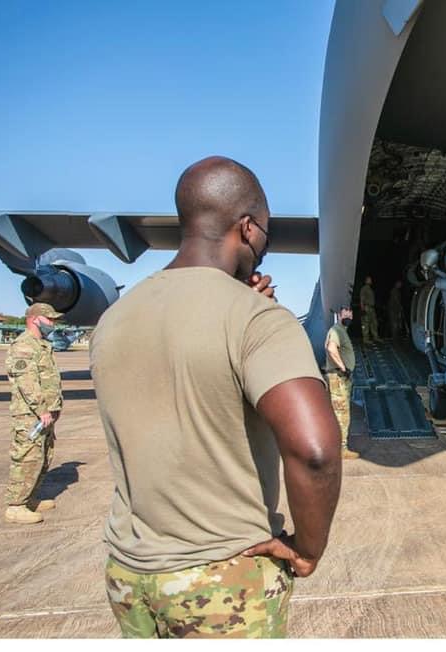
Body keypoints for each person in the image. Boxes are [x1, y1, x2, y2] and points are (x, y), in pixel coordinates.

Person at [90, 156, 342, 638]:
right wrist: (308, 549)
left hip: (130, 575)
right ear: (246, 228)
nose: (265, 246)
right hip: (223, 580)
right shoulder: (258, 321)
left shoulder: (115, 318)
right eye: (265, 233)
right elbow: (315, 452)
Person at [3, 302, 64, 525]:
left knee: (43, 457)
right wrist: (42, 409)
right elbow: (26, 383)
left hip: (44, 414)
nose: (53, 323)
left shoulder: (41, 345)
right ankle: (16, 506)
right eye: (50, 319)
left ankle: (30, 499)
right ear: (35, 319)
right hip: (30, 414)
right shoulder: (24, 346)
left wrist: (53, 408)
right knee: (27, 457)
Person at [325, 306, 359, 459]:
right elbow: (331, 348)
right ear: (339, 315)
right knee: (342, 413)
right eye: (346, 315)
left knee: (339, 411)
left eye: (351, 315)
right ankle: (341, 448)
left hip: (341, 378)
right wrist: (343, 368)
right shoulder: (336, 330)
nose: (349, 318)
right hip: (339, 377)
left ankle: (337, 445)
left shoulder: (341, 330)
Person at [359, 275, 380, 345]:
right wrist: (362, 309)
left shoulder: (370, 289)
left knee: (374, 323)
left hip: (371, 308)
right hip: (366, 307)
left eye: (370, 279)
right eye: (369, 279)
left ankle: (375, 337)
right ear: (366, 281)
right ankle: (366, 339)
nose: (370, 281)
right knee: (366, 323)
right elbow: (361, 299)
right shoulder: (364, 288)